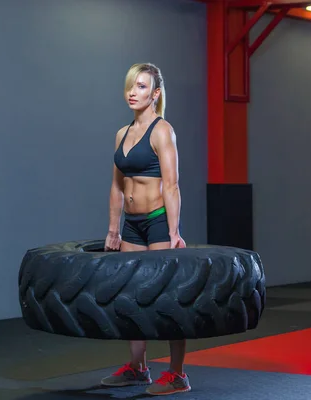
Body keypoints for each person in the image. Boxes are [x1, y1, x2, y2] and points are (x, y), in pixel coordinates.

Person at [100, 63, 191, 396]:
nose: (132, 92)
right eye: (130, 86)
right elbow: (116, 186)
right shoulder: (121, 134)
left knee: (166, 298)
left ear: (155, 94)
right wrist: (113, 228)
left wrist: (174, 231)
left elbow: (172, 184)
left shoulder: (162, 130)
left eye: (140, 87)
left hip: (156, 222)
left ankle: (177, 373)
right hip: (132, 225)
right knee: (130, 297)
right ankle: (138, 369)